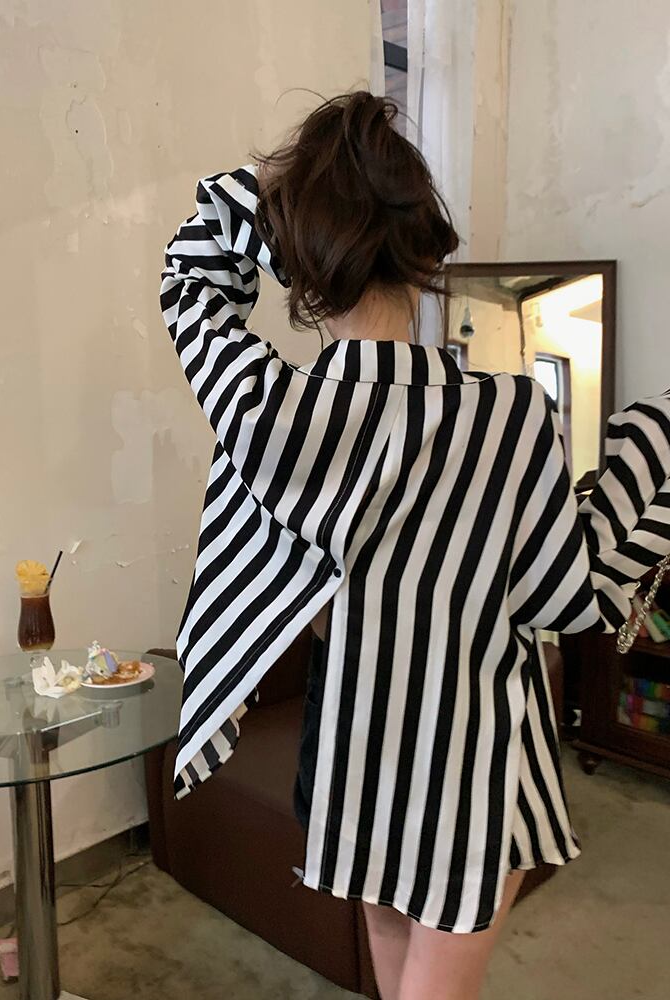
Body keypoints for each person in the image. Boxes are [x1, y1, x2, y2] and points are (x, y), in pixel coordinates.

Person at [159, 91, 670, 1000]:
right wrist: (650, 444)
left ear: (307, 263)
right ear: (428, 256)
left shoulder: (276, 413)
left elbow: (189, 277)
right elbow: (563, 595)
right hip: (476, 770)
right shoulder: (513, 416)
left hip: (352, 758)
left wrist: (277, 208)